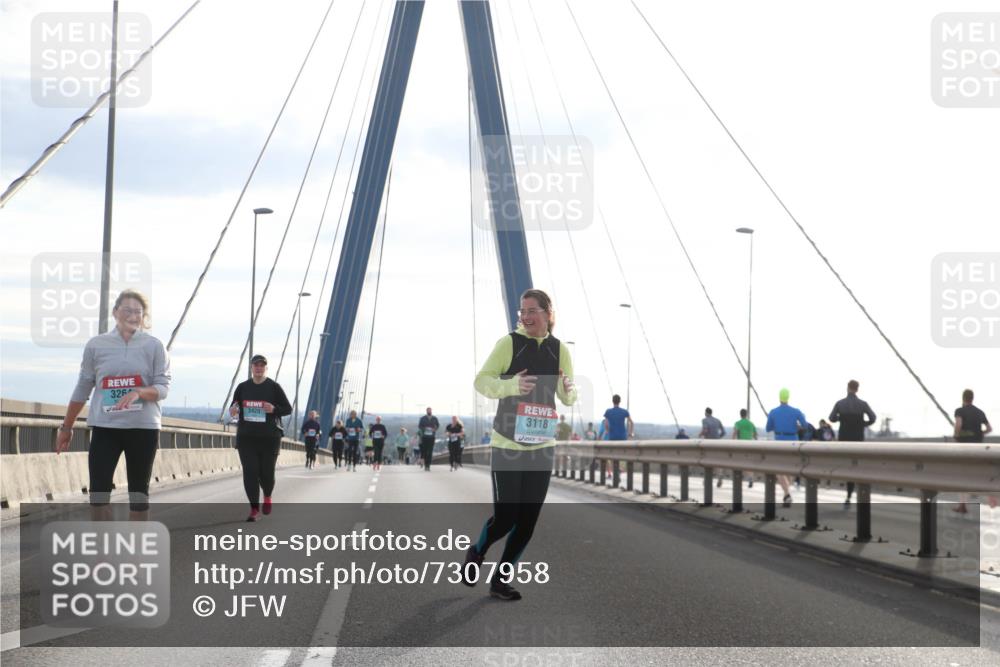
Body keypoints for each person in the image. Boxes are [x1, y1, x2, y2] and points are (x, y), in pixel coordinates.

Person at [463, 289, 577, 601]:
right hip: (508, 444)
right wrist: (511, 385)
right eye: (522, 311)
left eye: (532, 311)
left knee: (527, 523)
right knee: (506, 517)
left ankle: (500, 580)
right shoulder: (508, 343)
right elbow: (481, 381)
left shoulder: (558, 350)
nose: (526, 317)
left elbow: (566, 396)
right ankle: (477, 551)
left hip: (542, 447)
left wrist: (569, 390)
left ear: (547, 313)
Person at [56, 290, 170, 520]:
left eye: (138, 311)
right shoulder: (97, 345)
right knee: (98, 494)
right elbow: (82, 388)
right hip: (106, 428)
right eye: (127, 309)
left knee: (138, 495)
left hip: (143, 428)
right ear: (116, 312)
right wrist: (66, 427)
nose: (132, 315)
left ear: (143, 316)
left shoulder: (155, 346)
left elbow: (163, 388)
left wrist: (140, 391)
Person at [229, 354, 292, 522]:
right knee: (250, 473)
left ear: (266, 368)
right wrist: (233, 410)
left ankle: (268, 496)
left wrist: (273, 409)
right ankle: (254, 509)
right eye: (256, 365)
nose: (258, 368)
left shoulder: (274, 387)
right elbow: (234, 406)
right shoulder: (242, 387)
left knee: (266, 474)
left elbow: (288, 409)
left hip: (269, 438)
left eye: (262, 365)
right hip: (247, 437)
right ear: (251, 367)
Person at [829, 379, 877, 508]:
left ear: (847, 388)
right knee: (857, 465)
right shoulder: (863, 404)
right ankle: (858, 494)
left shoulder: (840, 403)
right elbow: (873, 418)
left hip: (844, 440)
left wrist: (841, 418)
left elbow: (831, 418)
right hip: (858, 440)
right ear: (857, 389)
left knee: (847, 466)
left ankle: (849, 495)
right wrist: (863, 424)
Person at [953, 389, 994, 513]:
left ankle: (963, 505)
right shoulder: (980, 412)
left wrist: (956, 435)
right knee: (974, 474)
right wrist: (980, 433)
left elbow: (958, 424)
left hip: (964, 447)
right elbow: (989, 428)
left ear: (963, 398)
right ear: (972, 398)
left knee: (962, 475)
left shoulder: (959, 411)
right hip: (978, 448)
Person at [765, 388, 806, 508]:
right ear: (788, 397)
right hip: (793, 442)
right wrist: (796, 426)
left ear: (779, 397)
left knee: (779, 469)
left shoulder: (773, 412)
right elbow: (805, 425)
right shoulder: (796, 411)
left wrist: (775, 422)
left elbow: (768, 428)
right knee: (790, 468)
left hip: (780, 442)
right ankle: (787, 493)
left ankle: (787, 493)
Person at [602, 394, 632, 480]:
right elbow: (631, 422)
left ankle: (616, 470)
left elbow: (606, 423)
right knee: (621, 455)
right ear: (620, 401)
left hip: (613, 436)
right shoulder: (624, 411)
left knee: (612, 455)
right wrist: (630, 433)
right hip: (623, 437)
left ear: (613, 401)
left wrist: (607, 430)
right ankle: (618, 470)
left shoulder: (608, 412)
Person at [732, 408, 757, 487]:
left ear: (740, 414)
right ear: (746, 414)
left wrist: (731, 443)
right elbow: (755, 435)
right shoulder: (751, 423)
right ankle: (750, 478)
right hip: (750, 445)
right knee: (748, 462)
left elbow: (735, 433)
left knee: (740, 462)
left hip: (741, 445)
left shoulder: (738, 423)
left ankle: (740, 477)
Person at [417, 407, 439, 471]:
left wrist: (434, 429)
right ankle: (426, 465)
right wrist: (425, 428)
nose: (429, 411)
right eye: (428, 410)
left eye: (430, 410)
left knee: (430, 451)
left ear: (431, 411)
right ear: (426, 411)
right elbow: (419, 426)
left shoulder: (435, 418)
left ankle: (428, 465)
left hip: (432, 437)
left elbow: (437, 426)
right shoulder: (423, 418)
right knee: (425, 451)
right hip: (424, 437)